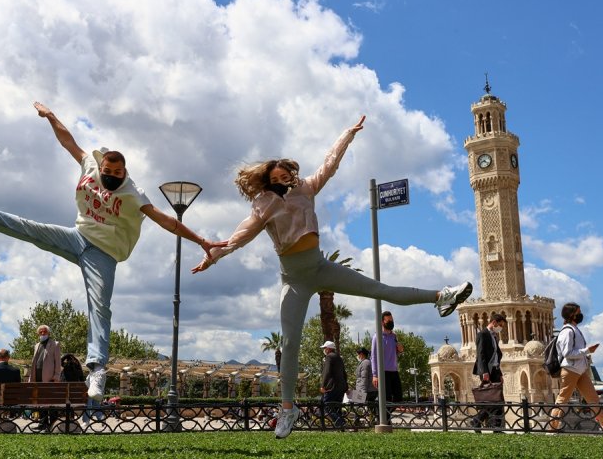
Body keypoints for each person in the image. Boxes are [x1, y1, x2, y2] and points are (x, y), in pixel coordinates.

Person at [192, 115, 473, 438]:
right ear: (268, 180)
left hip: (321, 267)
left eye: (287, 174)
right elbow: (238, 237)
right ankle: (287, 409)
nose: (284, 179)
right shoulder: (263, 205)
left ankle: (441, 296)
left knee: (381, 289)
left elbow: (330, 164)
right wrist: (212, 258)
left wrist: (347, 135)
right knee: (289, 342)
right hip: (294, 280)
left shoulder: (306, 188)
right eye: (277, 176)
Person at [0, 101, 223, 402]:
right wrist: (50, 116)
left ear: (125, 172)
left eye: (117, 172)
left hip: (103, 252)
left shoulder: (132, 193)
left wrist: (202, 241)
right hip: (78, 236)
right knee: (28, 228)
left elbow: (167, 221)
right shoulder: (89, 165)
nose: (111, 175)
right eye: (108, 171)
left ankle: (97, 368)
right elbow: (67, 141)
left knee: (99, 305)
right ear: (101, 168)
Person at [550, 303, 603, 433]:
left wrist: (586, 353)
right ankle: (551, 428)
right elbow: (567, 353)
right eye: (578, 312)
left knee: (593, 399)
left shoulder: (574, 329)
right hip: (570, 370)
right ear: (572, 314)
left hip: (580, 370)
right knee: (563, 399)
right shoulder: (567, 331)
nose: (580, 314)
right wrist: (587, 350)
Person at [471, 313, 506, 432]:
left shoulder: (494, 336)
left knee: (497, 400)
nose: (501, 328)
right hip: (487, 371)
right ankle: (485, 423)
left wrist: (500, 373)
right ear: (494, 322)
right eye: (500, 325)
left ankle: (493, 426)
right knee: (493, 399)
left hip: (495, 370)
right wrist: (484, 372)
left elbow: (496, 356)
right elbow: (480, 355)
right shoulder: (482, 334)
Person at [28, 325, 61, 431]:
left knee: (51, 402)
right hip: (37, 379)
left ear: (49, 333)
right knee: (40, 403)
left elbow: (58, 362)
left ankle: (53, 424)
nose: (42, 334)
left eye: (45, 332)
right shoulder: (37, 345)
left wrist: (56, 376)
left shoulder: (55, 344)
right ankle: (42, 424)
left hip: (50, 379)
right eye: (41, 332)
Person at [371, 311, 404, 405]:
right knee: (387, 398)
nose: (391, 322)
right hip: (383, 372)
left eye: (392, 320)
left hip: (394, 370)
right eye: (388, 320)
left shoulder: (394, 336)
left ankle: (384, 415)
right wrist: (374, 375)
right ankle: (384, 418)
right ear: (382, 322)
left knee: (399, 398)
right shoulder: (377, 337)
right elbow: (373, 356)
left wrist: (400, 350)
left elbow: (396, 353)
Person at [319, 341, 347, 428]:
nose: (324, 350)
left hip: (331, 387)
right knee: (337, 407)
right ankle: (340, 427)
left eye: (324, 348)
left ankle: (341, 422)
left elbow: (327, 372)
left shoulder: (329, 357)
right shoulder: (339, 358)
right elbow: (344, 373)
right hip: (341, 387)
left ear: (328, 349)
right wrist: (346, 386)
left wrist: (323, 385)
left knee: (326, 406)